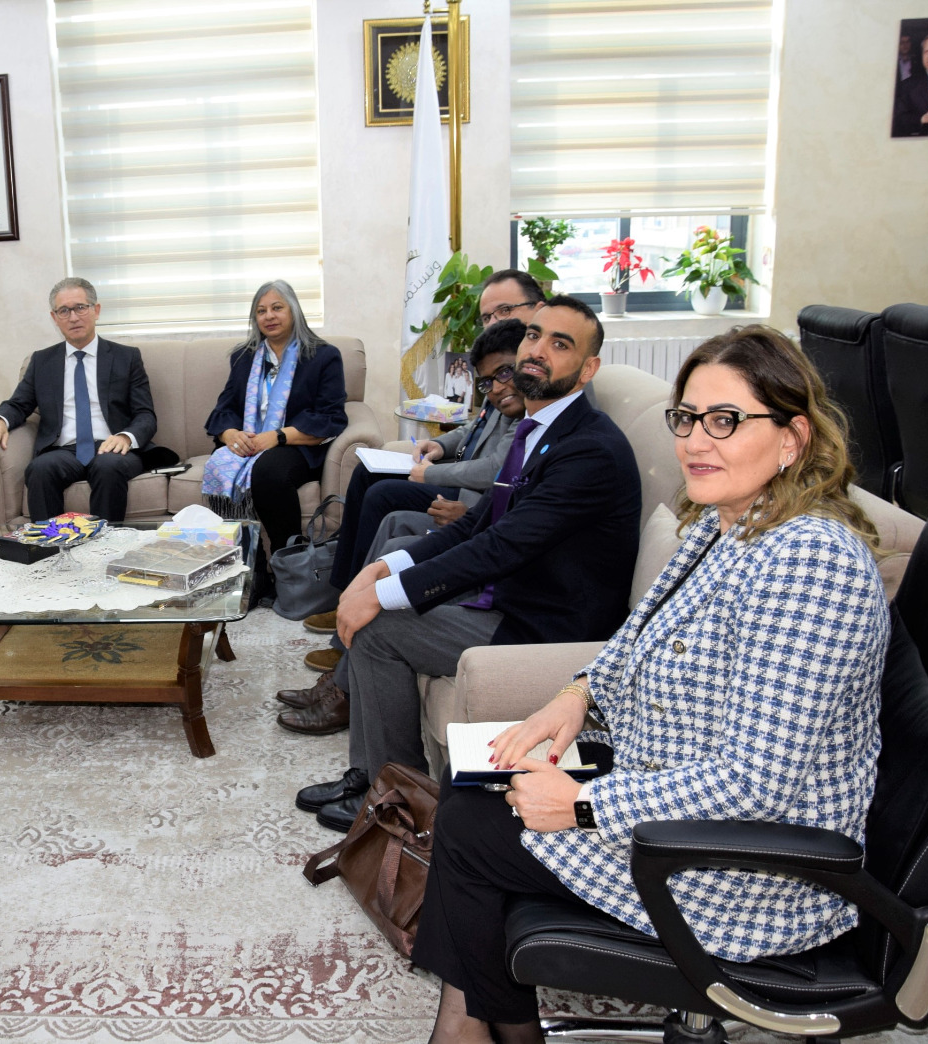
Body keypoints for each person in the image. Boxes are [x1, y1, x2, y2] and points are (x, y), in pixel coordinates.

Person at [410, 326, 888, 1044]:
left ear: (791, 438)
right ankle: (478, 1021)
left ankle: (479, 1027)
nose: (695, 441)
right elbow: (634, 640)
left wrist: (583, 805)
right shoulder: (726, 523)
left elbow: (757, 783)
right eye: (687, 418)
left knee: (472, 831)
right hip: (668, 785)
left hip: (742, 866)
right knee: (475, 774)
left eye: (726, 420)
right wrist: (574, 698)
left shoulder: (810, 561)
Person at [296, 296, 641, 832]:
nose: (537, 350)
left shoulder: (589, 449)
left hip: (548, 629)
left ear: (587, 368)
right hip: (517, 598)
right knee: (383, 592)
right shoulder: (539, 429)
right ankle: (372, 778)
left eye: (560, 344)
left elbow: (500, 548)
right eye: (533, 336)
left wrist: (381, 595)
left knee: (379, 627)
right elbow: (478, 525)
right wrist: (384, 569)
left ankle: (401, 799)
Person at [202, 280, 348, 602]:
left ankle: (288, 570)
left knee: (269, 471)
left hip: (299, 446)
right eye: (261, 311)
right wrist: (230, 434)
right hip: (250, 442)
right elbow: (224, 409)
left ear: (293, 310)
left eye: (277, 308)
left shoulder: (323, 356)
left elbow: (331, 417)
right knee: (220, 465)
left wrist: (279, 436)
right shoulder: (244, 357)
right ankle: (251, 572)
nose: (269, 316)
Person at [0, 277, 161, 522]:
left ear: (96, 310)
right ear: (54, 318)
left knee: (107, 467)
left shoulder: (126, 357)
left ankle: (105, 542)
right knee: (40, 469)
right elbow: (19, 403)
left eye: (80, 307)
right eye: (64, 311)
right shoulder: (42, 361)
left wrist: (125, 437)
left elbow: (145, 414)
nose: (73, 317)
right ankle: (48, 542)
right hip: (64, 450)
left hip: (112, 447)